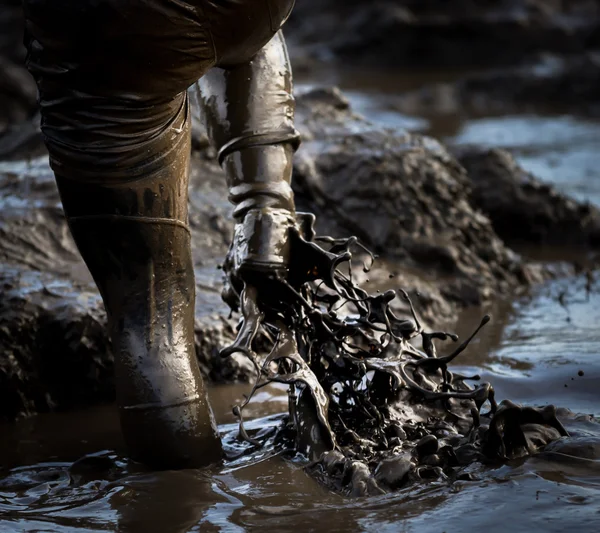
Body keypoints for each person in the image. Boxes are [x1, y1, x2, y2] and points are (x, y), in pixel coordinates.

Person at [22, 0, 299, 469]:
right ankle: (266, 204)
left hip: (128, 28)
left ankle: (181, 494)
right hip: (259, 10)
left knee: (149, 312)